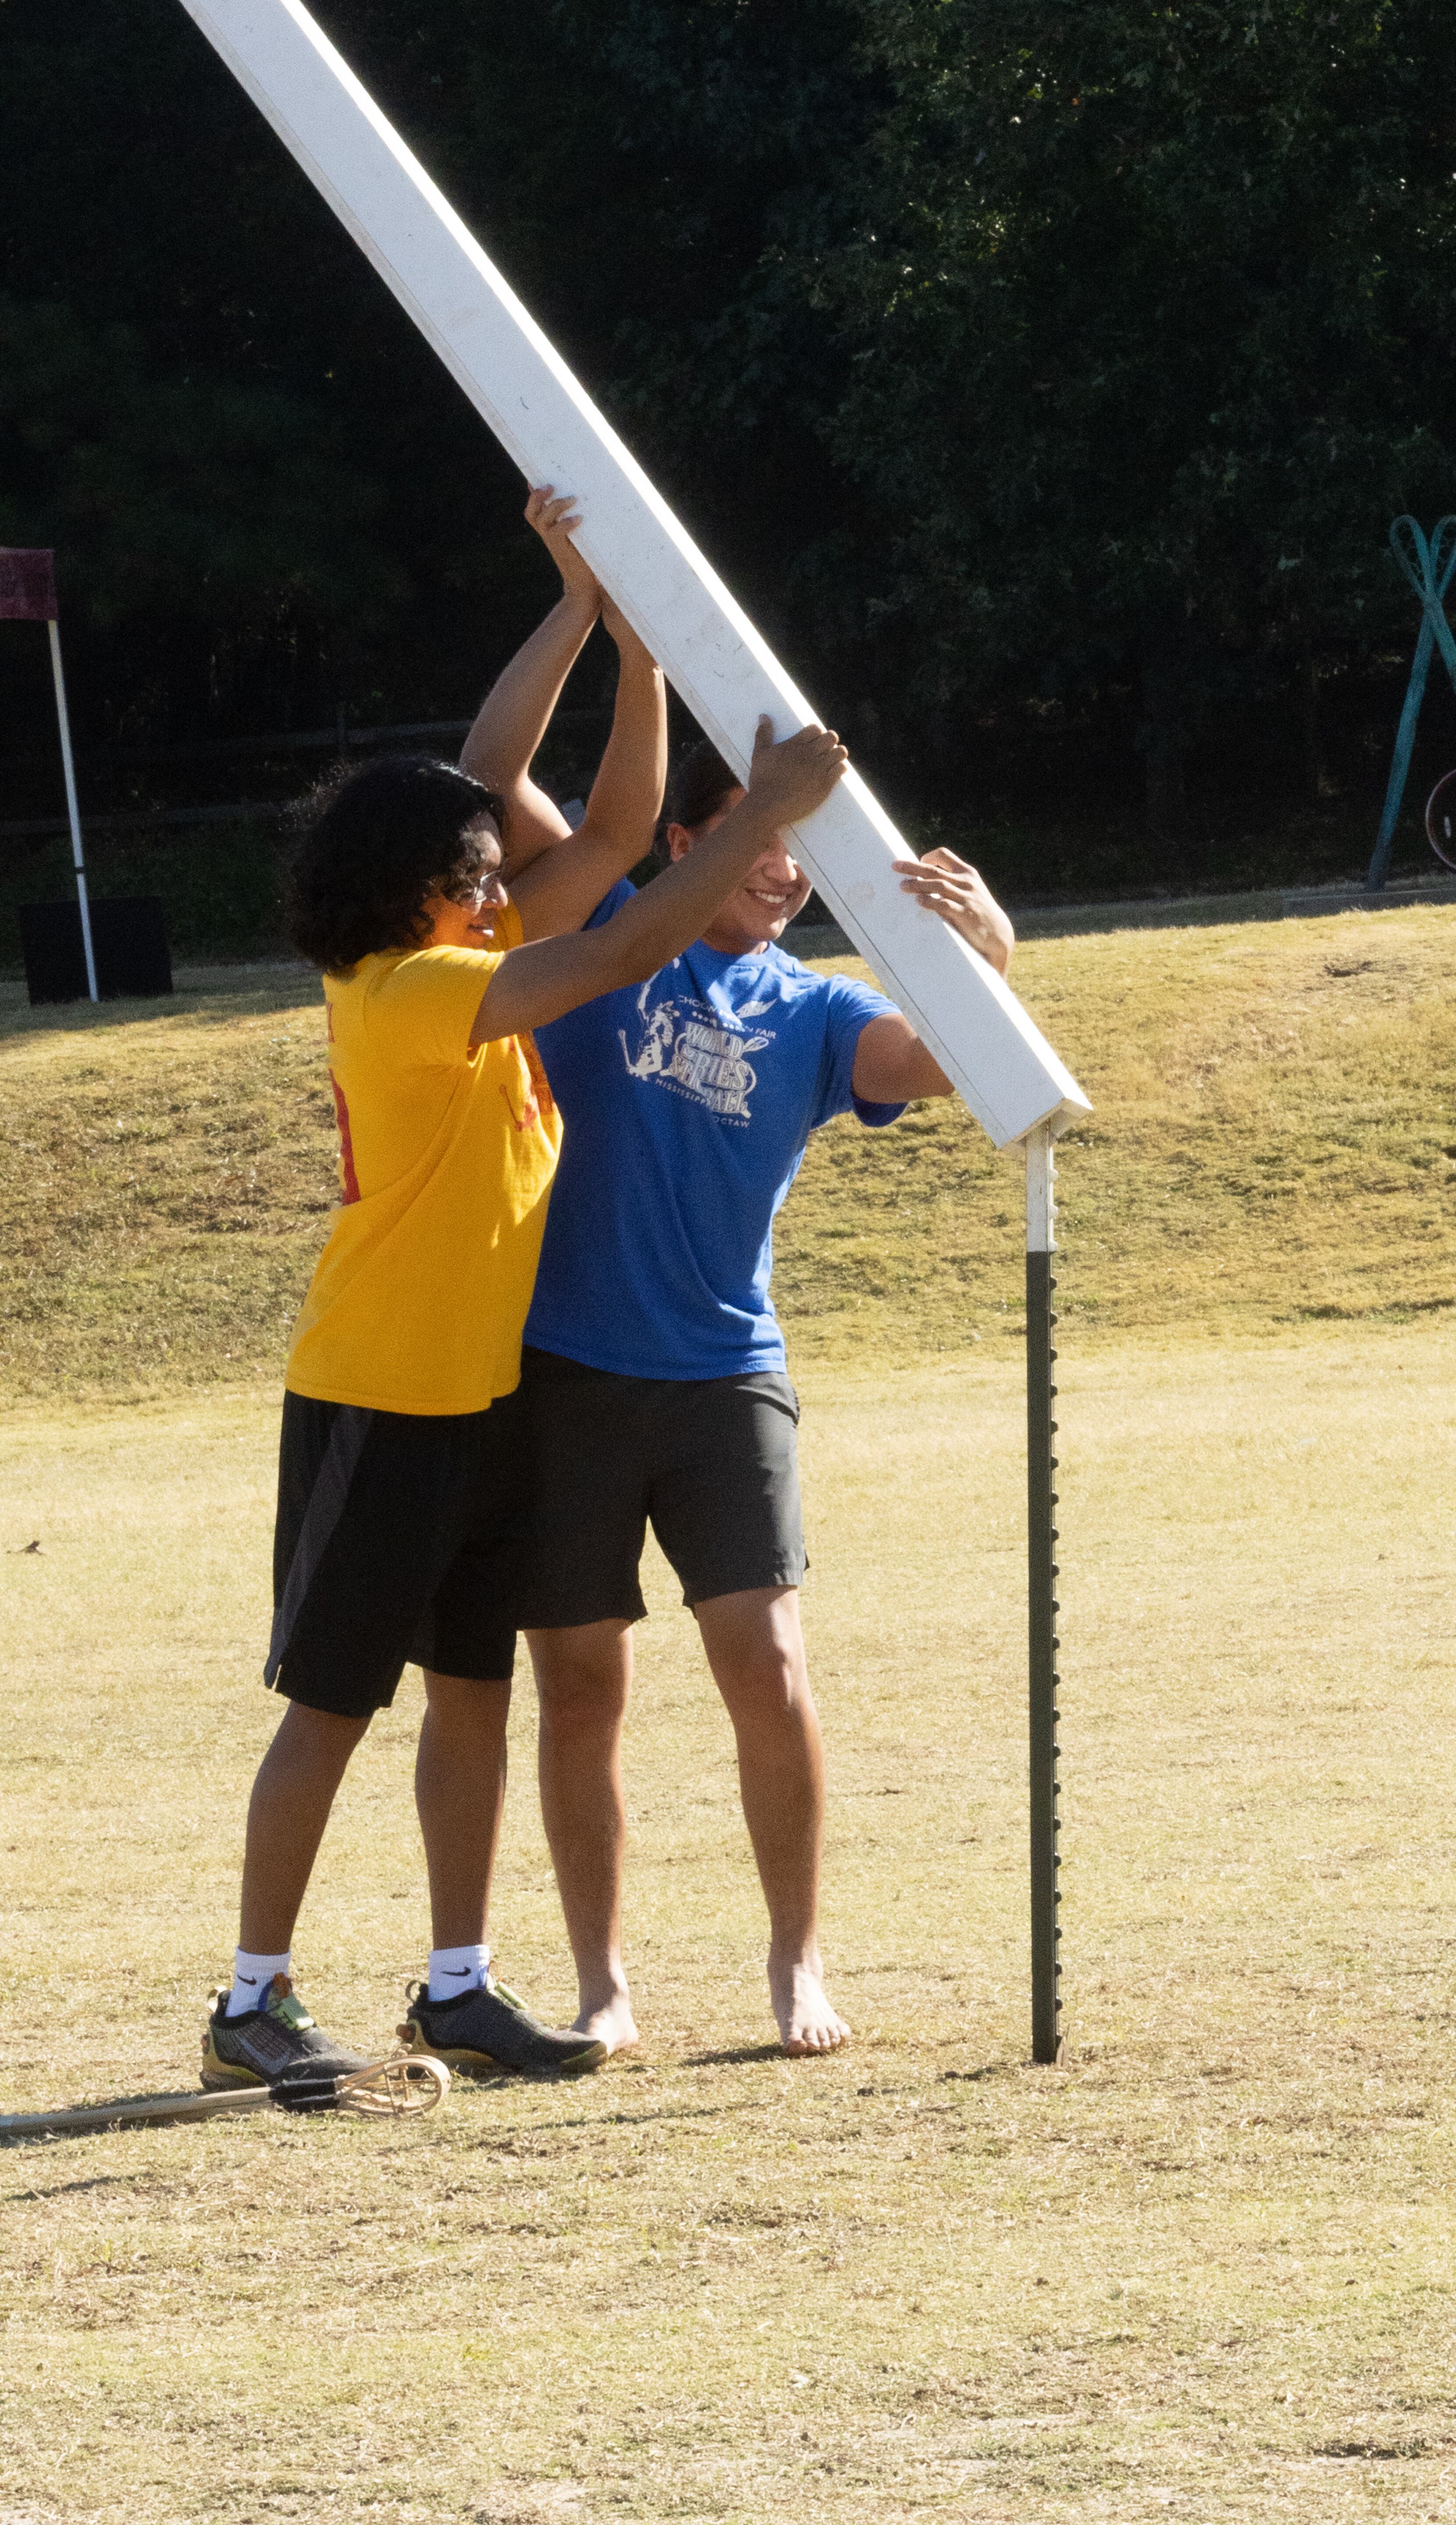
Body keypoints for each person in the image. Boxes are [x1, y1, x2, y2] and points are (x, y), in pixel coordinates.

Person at [202, 493, 850, 2091]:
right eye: (480, 876)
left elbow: (617, 843)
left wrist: (608, 627)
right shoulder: (414, 987)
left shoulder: (462, 951)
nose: (507, 890)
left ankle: (458, 1982)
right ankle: (249, 1999)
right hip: (376, 1390)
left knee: (472, 1693)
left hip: (477, 1397)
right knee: (335, 1701)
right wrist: (765, 796)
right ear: (416, 889)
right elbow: (622, 935)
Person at [423, 489, 1015, 2062]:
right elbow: (489, 785)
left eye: (807, 856)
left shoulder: (817, 1017)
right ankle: (605, 1985)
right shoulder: (614, 920)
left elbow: (945, 1065)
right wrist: (611, 621)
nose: (787, 874)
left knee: (768, 1658)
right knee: (584, 1687)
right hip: (563, 1366)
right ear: (700, 838)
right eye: (763, 843)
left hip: (724, 1371)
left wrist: (989, 954)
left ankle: (796, 1968)